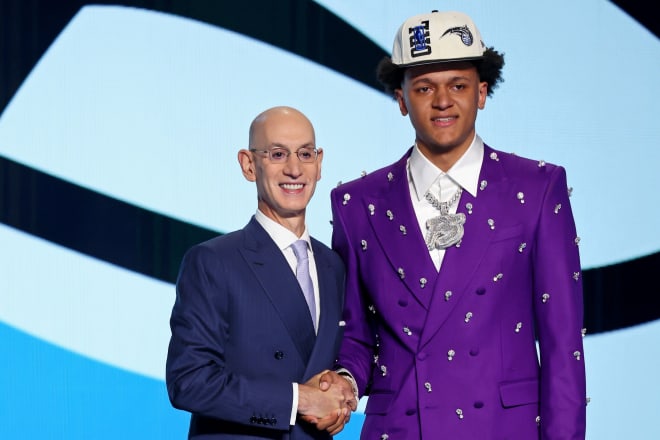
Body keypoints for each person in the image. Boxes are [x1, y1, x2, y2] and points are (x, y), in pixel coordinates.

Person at [325, 10, 587, 439]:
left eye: (458, 86)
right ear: (401, 98)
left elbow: (563, 349)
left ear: (482, 92)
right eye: (425, 87)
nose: (443, 100)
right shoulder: (357, 205)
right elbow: (355, 337)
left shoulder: (537, 189)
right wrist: (345, 383)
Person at [166, 106, 356, 439]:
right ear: (248, 164)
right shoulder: (213, 261)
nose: (294, 169)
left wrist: (341, 393)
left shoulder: (334, 266)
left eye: (305, 154)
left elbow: (345, 353)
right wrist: (299, 399)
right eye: (278, 154)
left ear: (320, 163)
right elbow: (189, 381)